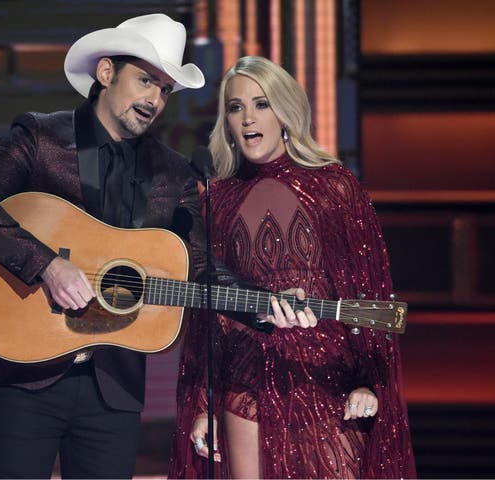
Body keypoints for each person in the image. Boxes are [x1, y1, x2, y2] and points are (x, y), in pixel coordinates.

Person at [0, 14, 298, 479]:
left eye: (165, 90)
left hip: (113, 388)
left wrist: (260, 304)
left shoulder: (173, 174)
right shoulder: (41, 138)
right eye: (146, 80)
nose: (154, 99)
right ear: (106, 73)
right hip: (25, 372)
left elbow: (197, 263)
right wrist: (46, 264)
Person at [168, 56, 416, 479]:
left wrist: (368, 381)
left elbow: (368, 293)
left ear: (285, 111)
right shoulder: (217, 199)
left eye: (261, 104)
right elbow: (211, 315)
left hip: (326, 382)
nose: (247, 118)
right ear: (225, 121)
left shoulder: (335, 187)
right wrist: (205, 405)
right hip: (244, 385)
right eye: (235, 107)